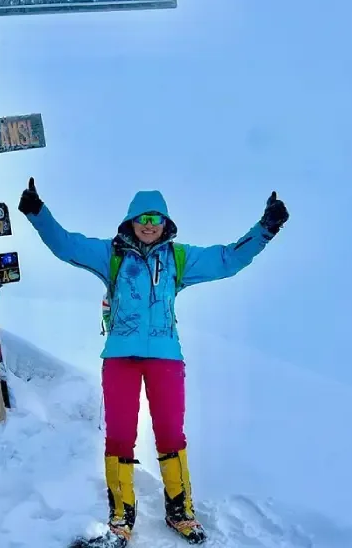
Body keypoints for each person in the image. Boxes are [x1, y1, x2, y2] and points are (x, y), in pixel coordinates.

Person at [17, 178, 288, 545]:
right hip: (120, 359)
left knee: (171, 435)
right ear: (130, 221)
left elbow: (228, 259)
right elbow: (66, 246)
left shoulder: (179, 258)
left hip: (165, 358)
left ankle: (180, 513)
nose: (149, 224)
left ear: (165, 223)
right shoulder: (110, 255)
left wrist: (266, 229)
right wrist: (38, 213)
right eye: (142, 217)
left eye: (156, 218)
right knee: (119, 436)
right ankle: (120, 520)